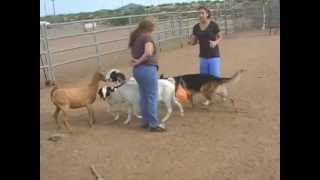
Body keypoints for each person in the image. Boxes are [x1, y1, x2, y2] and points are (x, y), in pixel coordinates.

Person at [128, 18, 165, 132]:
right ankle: (153, 124)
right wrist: (139, 61)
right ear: (150, 27)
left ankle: (145, 121)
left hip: (138, 71)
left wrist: (137, 62)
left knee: (144, 97)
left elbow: (134, 55)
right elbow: (148, 53)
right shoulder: (147, 37)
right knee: (151, 97)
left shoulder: (136, 37)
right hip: (147, 69)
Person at [188, 6, 223, 77]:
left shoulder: (213, 25)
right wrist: (191, 42)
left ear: (207, 14)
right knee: (204, 80)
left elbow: (220, 36)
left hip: (214, 56)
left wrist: (215, 42)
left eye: (202, 13)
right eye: (199, 13)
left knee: (214, 79)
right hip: (203, 57)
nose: (200, 15)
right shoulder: (196, 27)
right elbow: (193, 41)